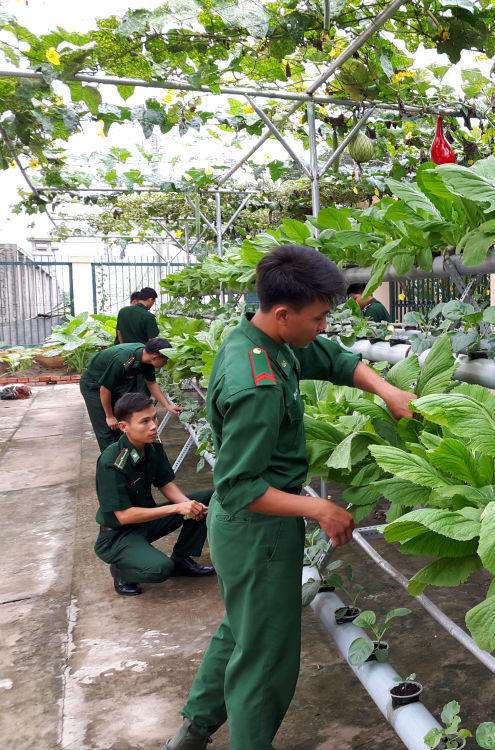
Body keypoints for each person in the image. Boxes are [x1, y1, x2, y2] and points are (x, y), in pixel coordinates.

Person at [164, 245, 416, 750]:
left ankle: (191, 735)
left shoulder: (262, 338)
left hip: (257, 529)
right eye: (320, 316)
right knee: (266, 659)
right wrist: (320, 506)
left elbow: (329, 358)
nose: (324, 326)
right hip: (257, 531)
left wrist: (387, 390)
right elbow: (237, 487)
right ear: (284, 314)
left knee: (241, 631)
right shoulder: (254, 383)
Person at [94, 392, 215, 596]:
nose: (153, 426)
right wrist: (177, 507)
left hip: (146, 522)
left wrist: (189, 505)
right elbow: (122, 516)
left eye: (154, 418)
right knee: (160, 569)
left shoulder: (151, 446)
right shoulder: (112, 462)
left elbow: (165, 483)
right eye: (145, 421)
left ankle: (182, 559)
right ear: (124, 427)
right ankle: (122, 569)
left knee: (204, 498)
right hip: (119, 535)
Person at [79, 338, 182, 451]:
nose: (165, 363)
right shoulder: (123, 360)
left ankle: (127, 456)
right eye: (165, 360)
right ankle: (112, 461)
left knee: (123, 419)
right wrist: (109, 416)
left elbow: (152, 383)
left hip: (115, 384)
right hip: (94, 385)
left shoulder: (146, 360)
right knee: (106, 427)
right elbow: (104, 389)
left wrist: (168, 406)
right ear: (155, 357)